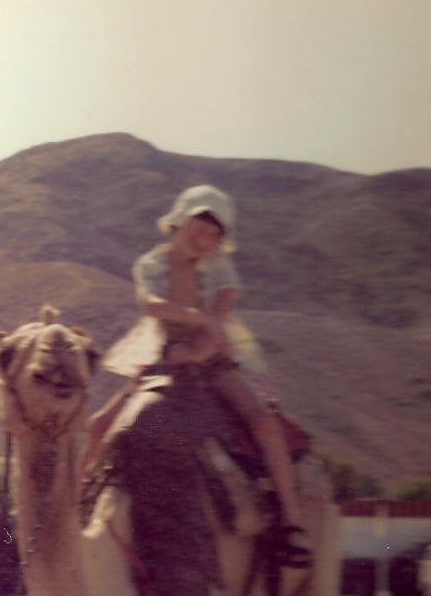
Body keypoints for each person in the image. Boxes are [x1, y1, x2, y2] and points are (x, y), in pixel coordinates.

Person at [84, 184, 310, 567]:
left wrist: (199, 346)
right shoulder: (151, 265)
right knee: (100, 424)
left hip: (214, 359)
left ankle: (291, 516)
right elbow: (150, 304)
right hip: (165, 356)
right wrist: (194, 320)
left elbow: (220, 317)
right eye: (198, 227)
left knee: (264, 424)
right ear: (179, 221)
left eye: (213, 235)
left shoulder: (220, 269)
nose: (203, 239)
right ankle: (81, 505)